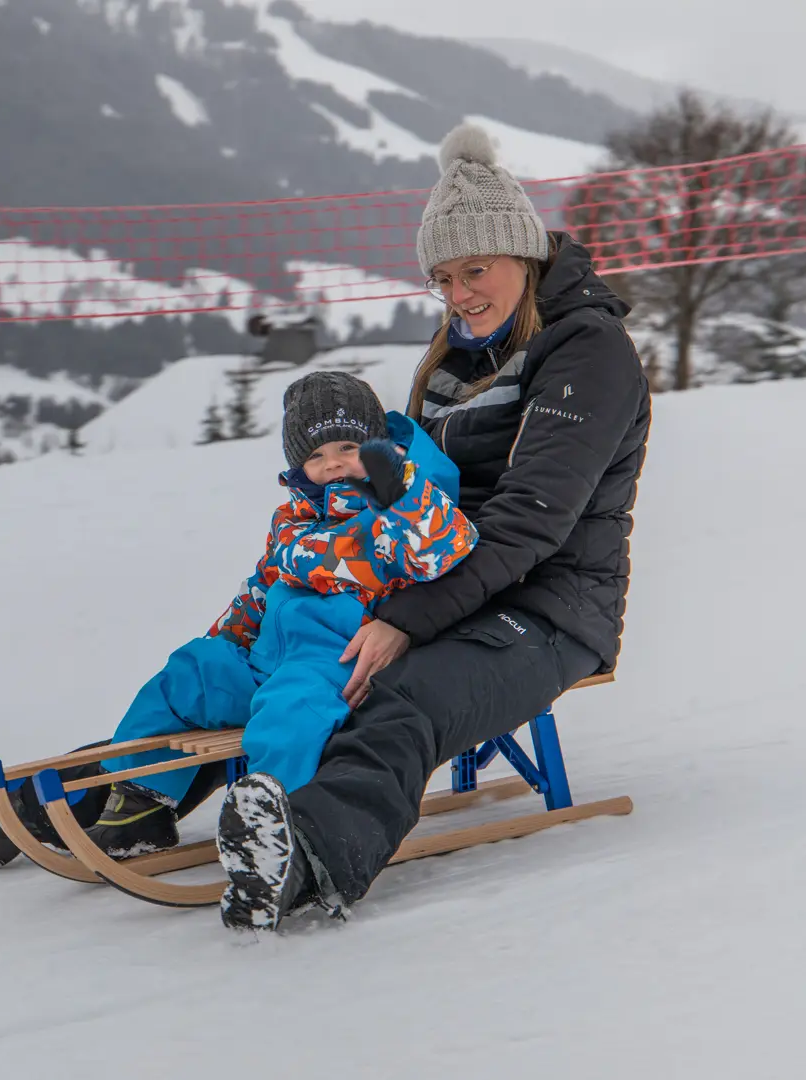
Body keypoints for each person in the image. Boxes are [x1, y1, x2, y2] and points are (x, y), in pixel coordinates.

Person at [211, 122, 653, 931]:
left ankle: (309, 855)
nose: (458, 294)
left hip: (550, 607)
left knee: (399, 698)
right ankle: (120, 799)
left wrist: (400, 620)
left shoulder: (589, 354)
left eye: (474, 270)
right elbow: (409, 494)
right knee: (280, 655)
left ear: (521, 254)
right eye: (443, 278)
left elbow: (529, 527)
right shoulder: (459, 353)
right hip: (444, 582)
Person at [82, 371, 478, 858]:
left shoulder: (392, 514)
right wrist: (226, 640)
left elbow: (447, 547)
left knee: (289, 714)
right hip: (264, 661)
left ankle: (276, 825)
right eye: (315, 456)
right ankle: (140, 808)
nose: (332, 465)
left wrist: (402, 489)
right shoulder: (292, 517)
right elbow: (259, 590)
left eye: (347, 449)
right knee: (193, 670)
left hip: (337, 667)